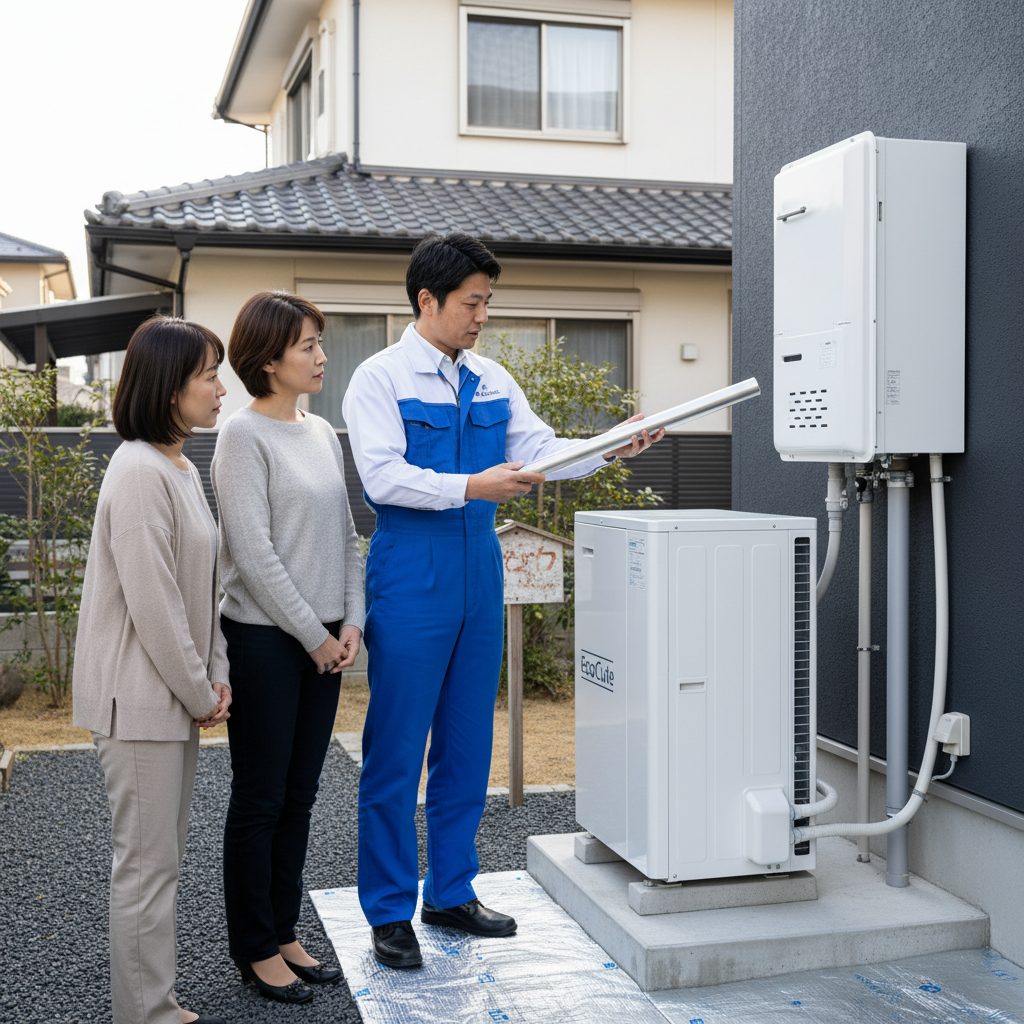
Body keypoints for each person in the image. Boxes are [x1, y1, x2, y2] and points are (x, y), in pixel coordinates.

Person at [342, 231, 663, 968]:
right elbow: (382, 477)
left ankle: (450, 892)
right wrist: (472, 485)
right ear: (427, 300)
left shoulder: (490, 379)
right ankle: (388, 911)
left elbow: (542, 451)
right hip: (412, 568)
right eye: (472, 302)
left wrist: (610, 446)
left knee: (467, 743)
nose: (482, 316)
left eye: (487, 302)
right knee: (396, 750)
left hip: (480, 570)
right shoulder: (380, 378)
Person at [73, 316, 232, 1024]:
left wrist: (214, 674)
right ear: (170, 387)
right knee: (145, 867)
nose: (220, 389)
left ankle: (152, 1006)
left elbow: (204, 587)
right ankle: (145, 1014)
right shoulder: (140, 470)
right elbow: (156, 605)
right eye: (209, 376)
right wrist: (201, 691)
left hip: (169, 696)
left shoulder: (179, 467)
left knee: (157, 862)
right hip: (140, 700)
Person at [211, 291, 364, 1004]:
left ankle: (284, 930)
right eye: (308, 345)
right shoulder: (241, 436)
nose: (322, 356)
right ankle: (255, 948)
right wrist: (315, 637)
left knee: (300, 796)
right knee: (261, 798)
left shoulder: (322, 431)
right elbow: (252, 553)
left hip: (326, 640)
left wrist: (352, 622)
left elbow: (346, 536)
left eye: (319, 342)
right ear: (268, 359)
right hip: (267, 643)